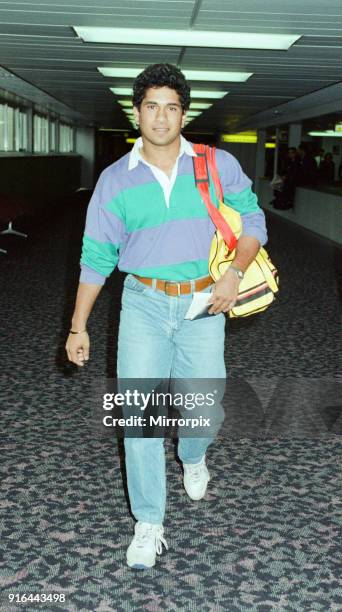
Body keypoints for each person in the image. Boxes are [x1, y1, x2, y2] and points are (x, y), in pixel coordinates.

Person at [65, 63, 268, 569]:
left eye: (171, 107)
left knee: (206, 407)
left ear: (183, 113)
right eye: (151, 106)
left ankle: (193, 455)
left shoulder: (216, 164)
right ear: (137, 113)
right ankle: (148, 521)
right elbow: (96, 257)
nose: (161, 117)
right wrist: (78, 325)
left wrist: (234, 273)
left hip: (205, 302)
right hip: (144, 303)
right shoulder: (115, 181)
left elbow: (255, 218)